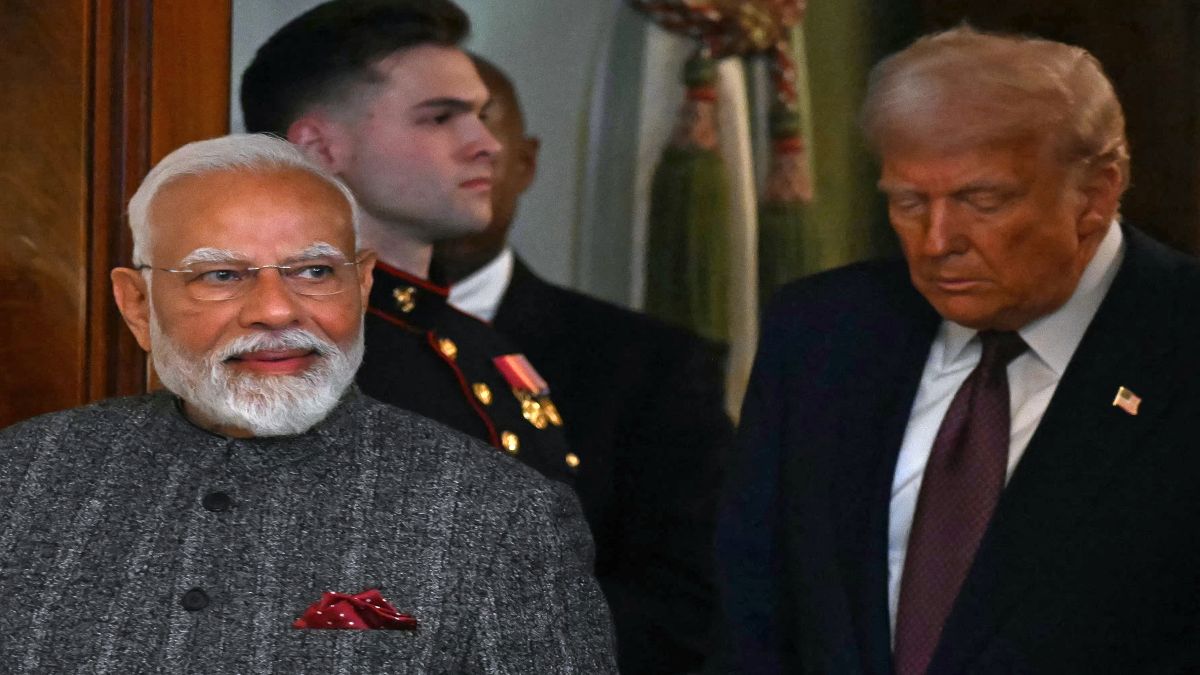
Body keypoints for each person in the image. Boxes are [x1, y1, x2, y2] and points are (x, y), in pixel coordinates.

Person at [0, 134, 617, 673]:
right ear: (137, 304)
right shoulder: (22, 477)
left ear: (363, 284)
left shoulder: (499, 514)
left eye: (315, 272)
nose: (275, 310)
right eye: (221, 275)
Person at [714, 26, 1200, 674]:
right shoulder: (823, 332)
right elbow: (748, 614)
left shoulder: (1178, 340)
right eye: (909, 201)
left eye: (982, 200)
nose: (937, 241)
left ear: (1095, 194)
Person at [432, 55, 734, 674]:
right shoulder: (298, 348)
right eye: (433, 124)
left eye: (485, 126)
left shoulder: (649, 366)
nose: (464, 152)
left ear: (525, 162)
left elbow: (692, 602)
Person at [240, 0, 576, 483]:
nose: (488, 145)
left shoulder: (474, 343)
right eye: (440, 118)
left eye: (481, 115)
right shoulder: (281, 354)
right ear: (320, 148)